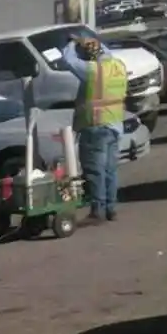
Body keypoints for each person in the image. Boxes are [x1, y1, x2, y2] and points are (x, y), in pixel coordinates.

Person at [61, 35, 129, 224]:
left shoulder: (93, 70)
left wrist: (72, 43)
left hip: (96, 126)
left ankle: (97, 210)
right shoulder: (118, 66)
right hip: (115, 125)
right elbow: (105, 52)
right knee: (110, 170)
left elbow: (68, 60)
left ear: (90, 56)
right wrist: (91, 40)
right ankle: (111, 209)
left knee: (94, 171)